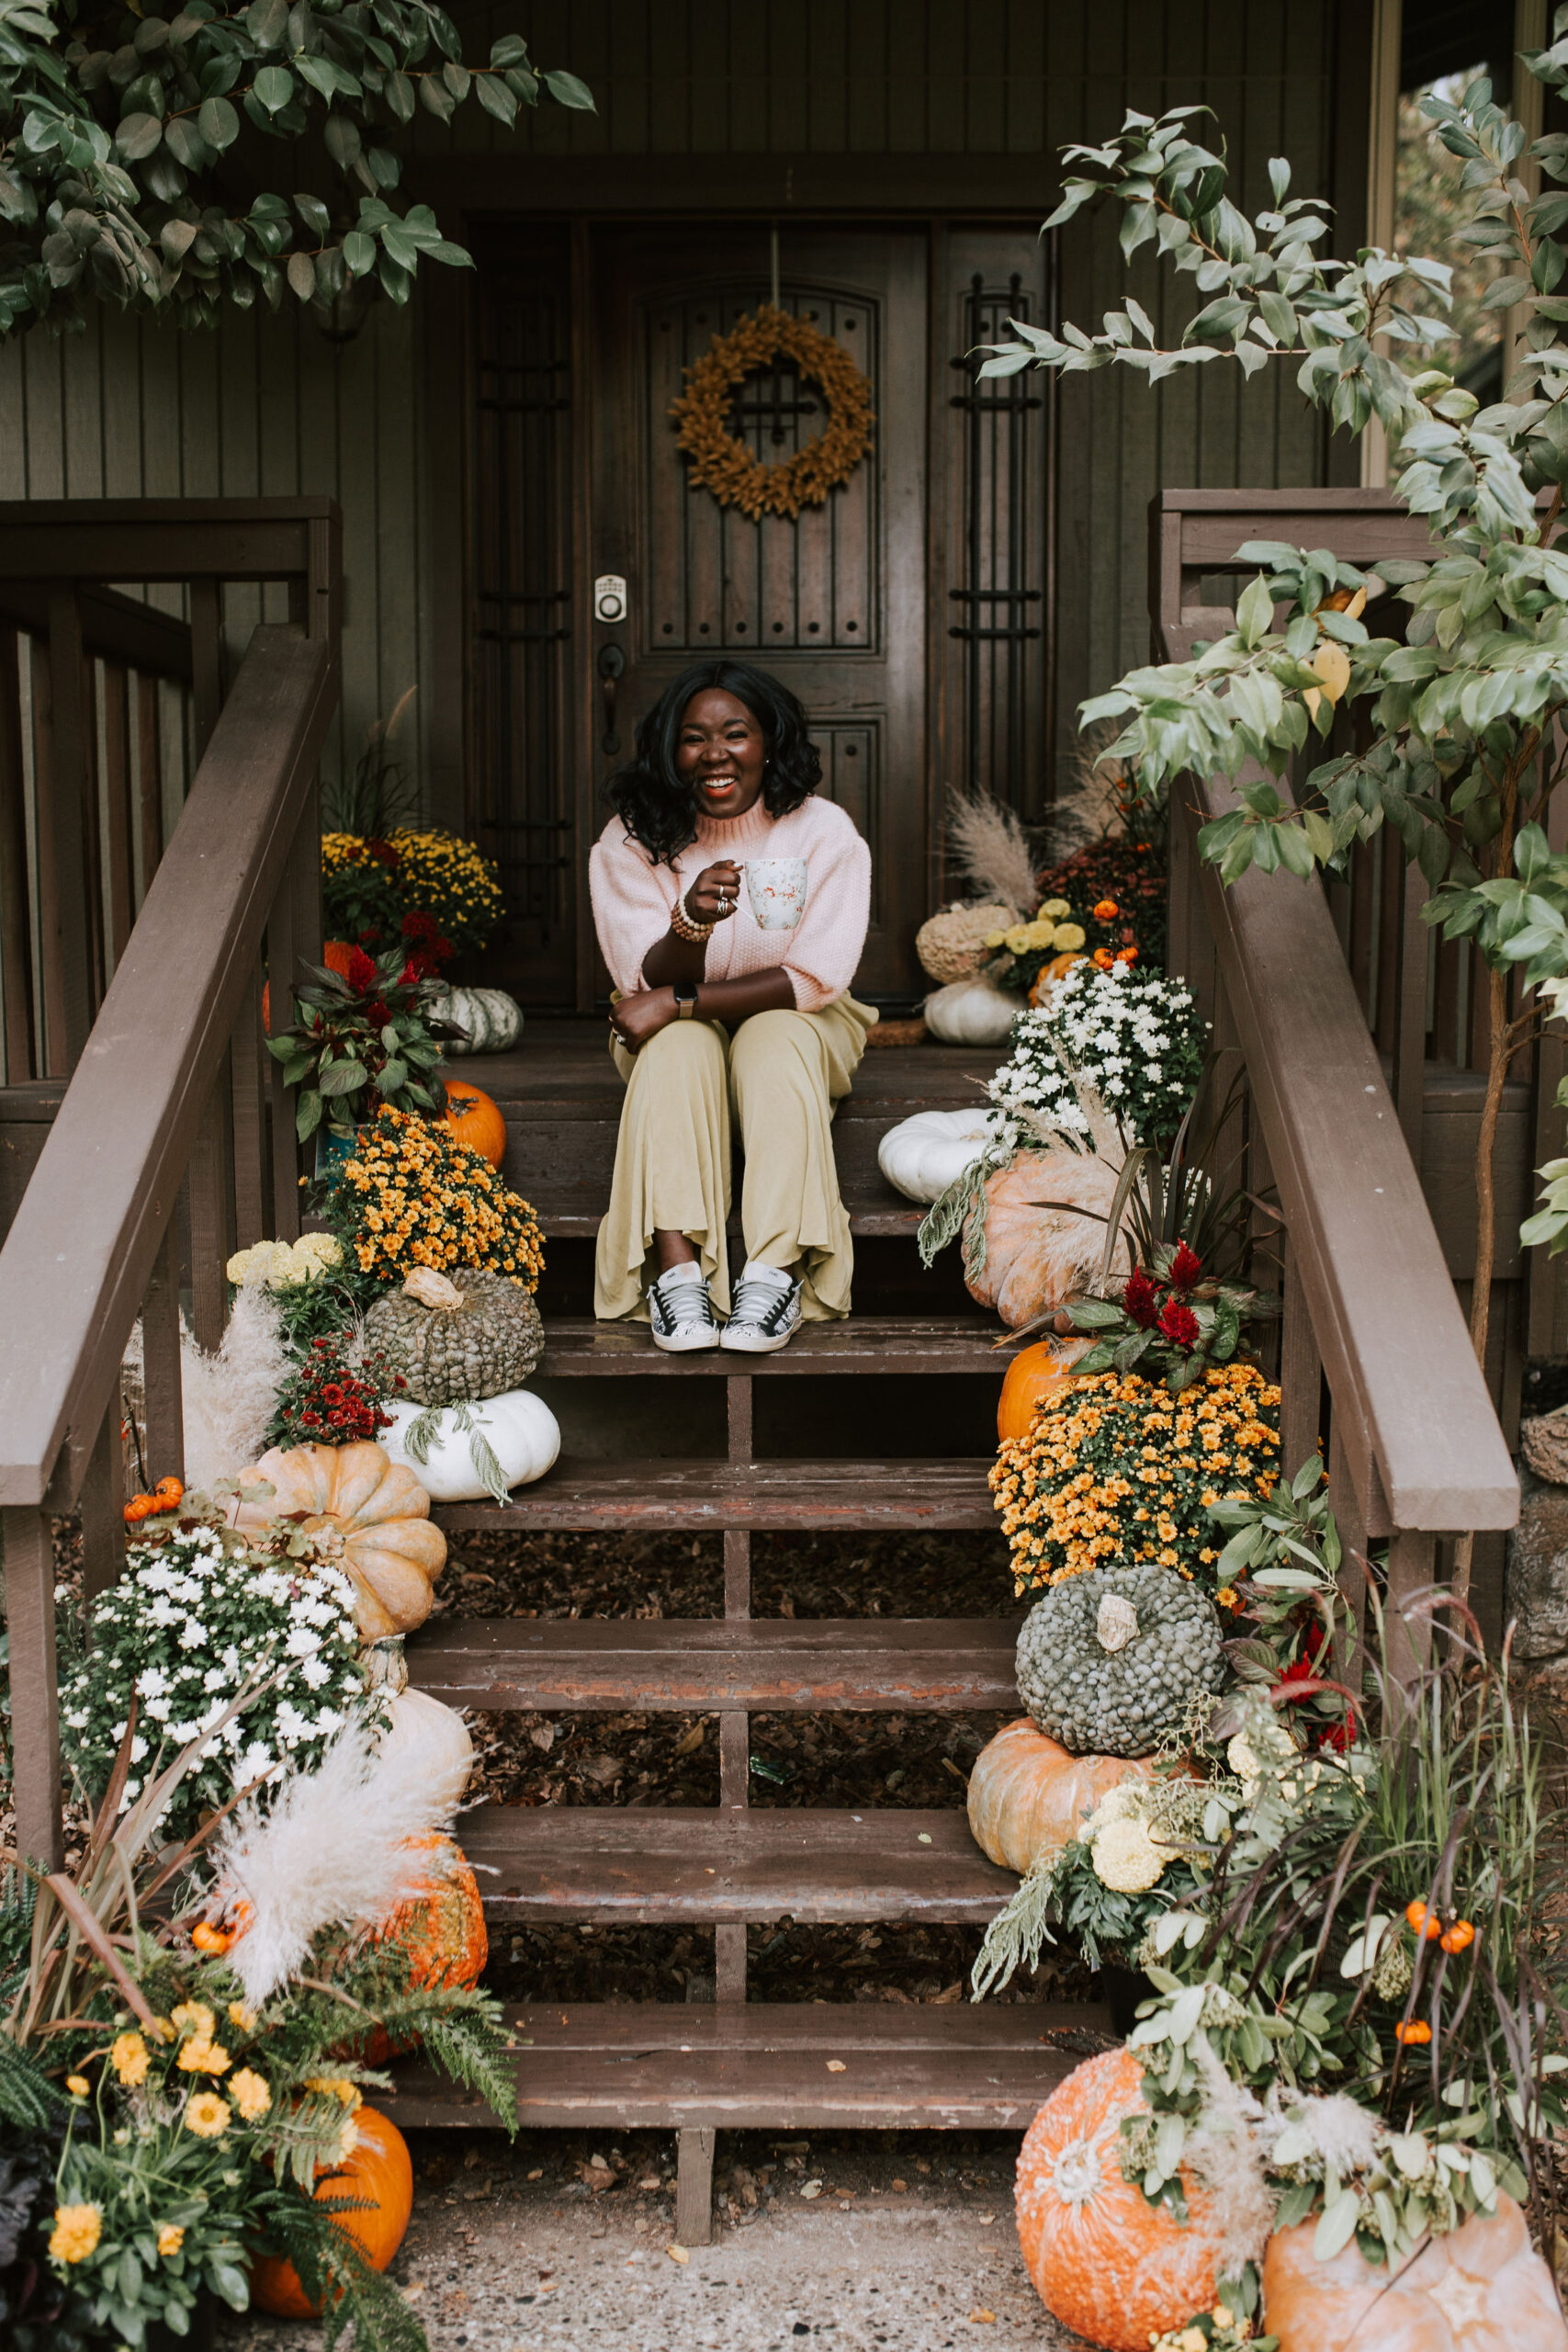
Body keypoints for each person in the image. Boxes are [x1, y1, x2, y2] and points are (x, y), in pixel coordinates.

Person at [589, 659, 874, 1353]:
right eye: (693, 737)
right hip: (663, 1022)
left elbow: (812, 978)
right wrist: (689, 921)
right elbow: (640, 980)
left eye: (735, 733)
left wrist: (682, 999)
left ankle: (772, 1276)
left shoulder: (822, 832)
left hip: (804, 1020)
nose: (714, 753)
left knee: (771, 1037)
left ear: (768, 742)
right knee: (678, 1047)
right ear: (669, 750)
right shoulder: (629, 840)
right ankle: (677, 1276)